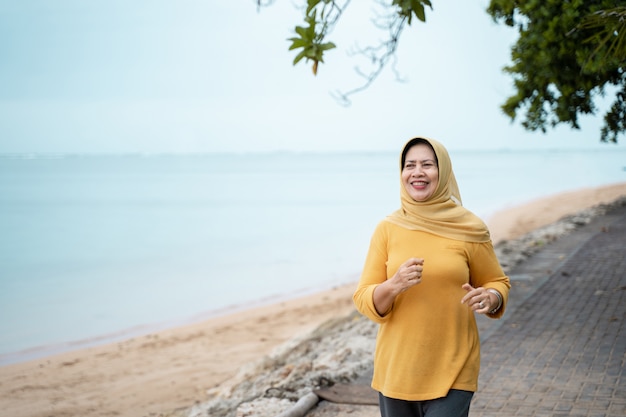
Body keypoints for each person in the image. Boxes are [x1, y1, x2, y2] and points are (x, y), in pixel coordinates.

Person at [353, 137, 511, 417]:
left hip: (454, 367)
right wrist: (394, 285)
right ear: (401, 173)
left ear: (444, 171)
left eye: (427, 164)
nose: (417, 172)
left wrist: (492, 297)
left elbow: (497, 282)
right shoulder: (387, 229)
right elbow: (364, 297)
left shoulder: (470, 228)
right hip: (397, 370)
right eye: (409, 165)